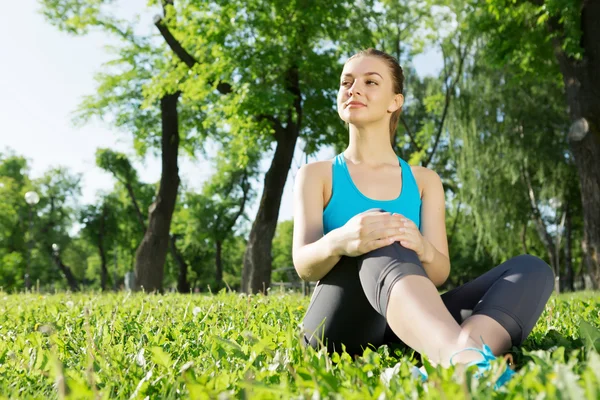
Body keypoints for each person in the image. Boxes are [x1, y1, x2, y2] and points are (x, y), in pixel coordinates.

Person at [291, 48, 555, 389]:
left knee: (532, 269)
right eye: (347, 82)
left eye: (370, 82)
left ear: (394, 102)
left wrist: (422, 247)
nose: (353, 89)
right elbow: (304, 264)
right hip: (340, 331)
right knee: (381, 227)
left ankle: (467, 357)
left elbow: (439, 272)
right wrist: (342, 240)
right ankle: (457, 357)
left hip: (408, 330)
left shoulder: (424, 181)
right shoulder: (317, 174)